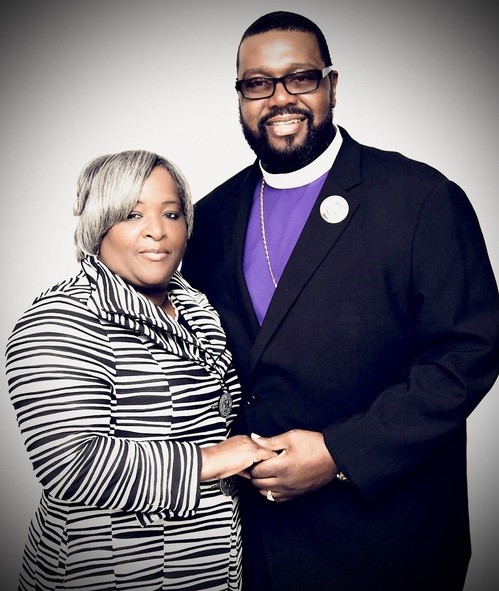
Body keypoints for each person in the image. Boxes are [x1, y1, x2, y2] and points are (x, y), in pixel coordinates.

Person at [181, 10, 499, 591]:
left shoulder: (420, 197)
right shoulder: (210, 219)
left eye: (300, 77)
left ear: (331, 84)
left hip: (389, 543)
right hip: (252, 549)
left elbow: (468, 352)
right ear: (241, 96)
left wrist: (339, 453)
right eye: (258, 83)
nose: (280, 98)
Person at [5, 149, 275, 591]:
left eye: (172, 213)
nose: (157, 230)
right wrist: (213, 460)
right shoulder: (62, 318)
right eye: (132, 215)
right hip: (109, 571)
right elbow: (70, 466)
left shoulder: (196, 306)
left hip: (210, 567)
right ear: (99, 225)